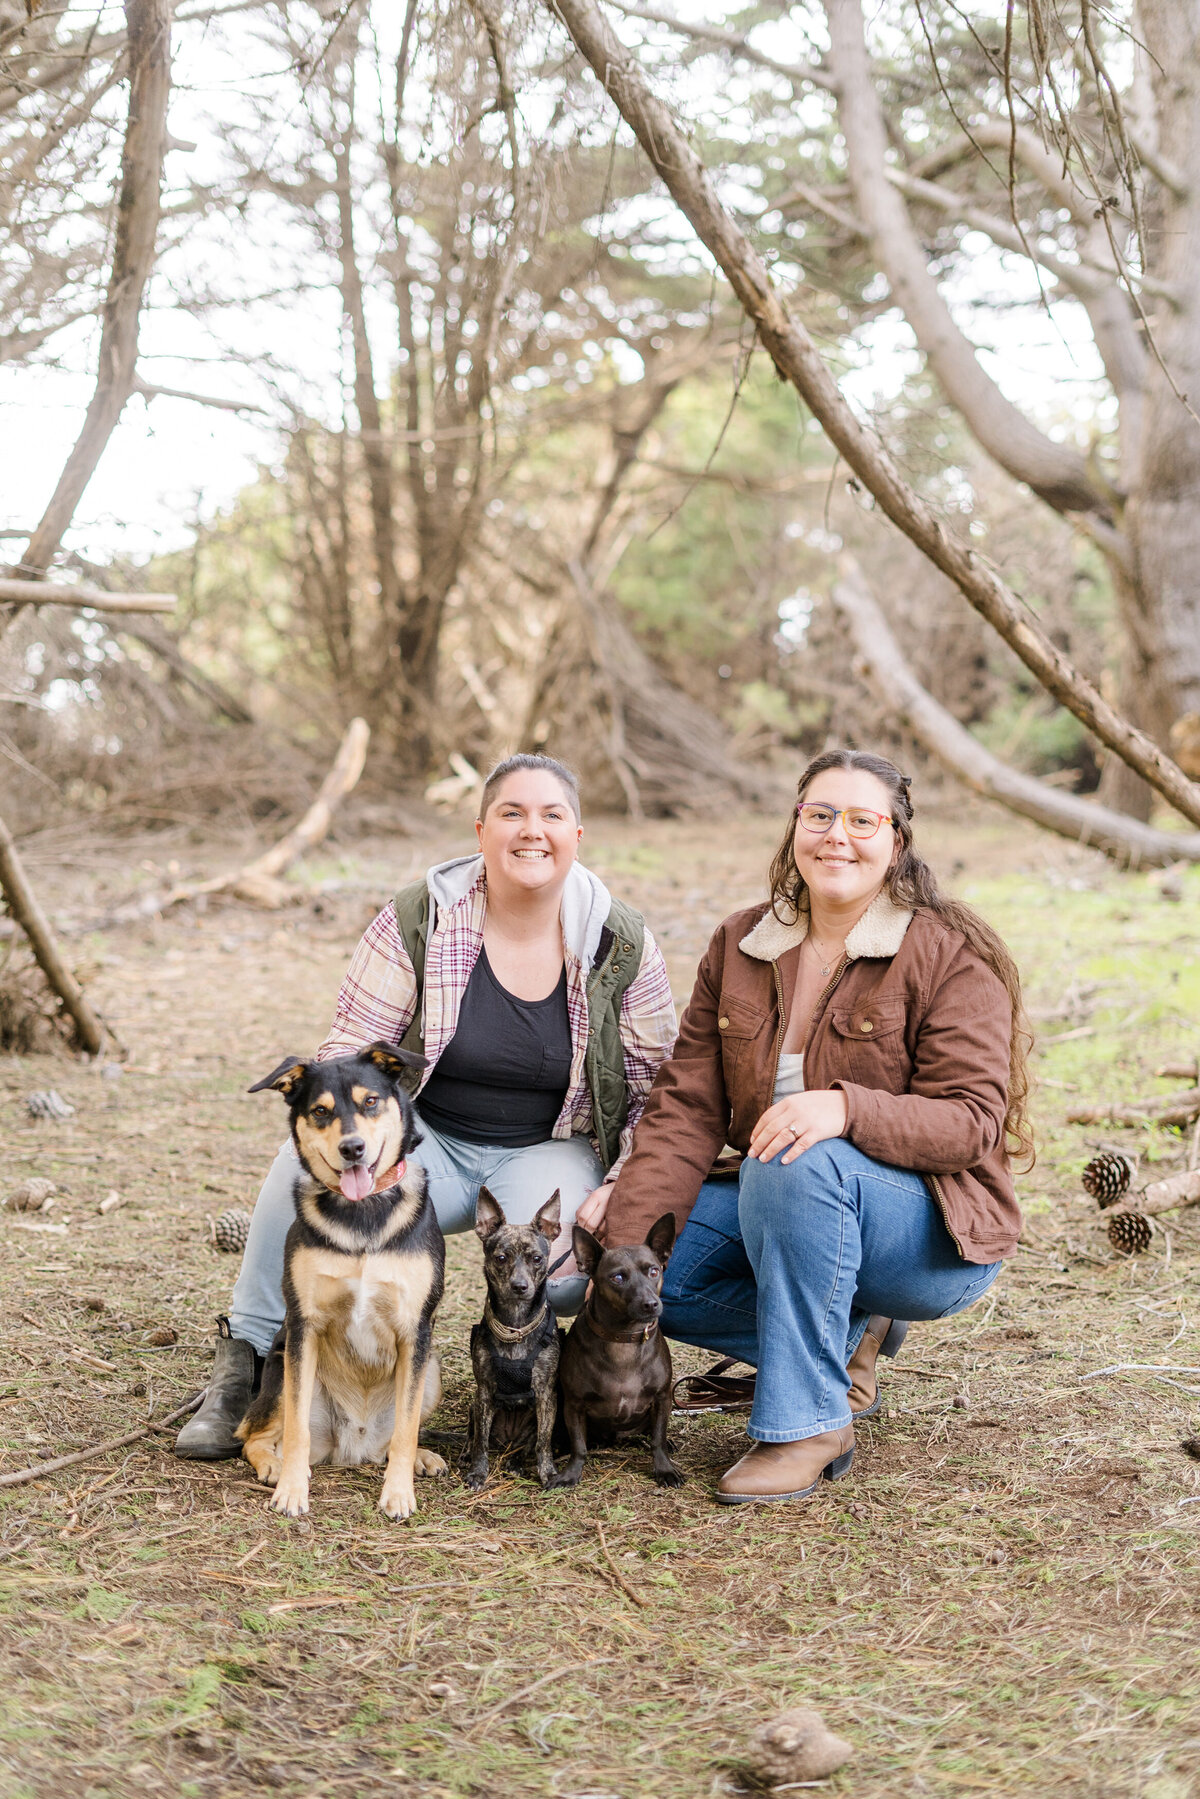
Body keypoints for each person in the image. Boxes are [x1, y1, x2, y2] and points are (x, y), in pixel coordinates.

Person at [176, 753, 678, 1460]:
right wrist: (361, 1150)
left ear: (577, 834)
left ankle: (534, 1386)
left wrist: (620, 1184)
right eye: (511, 812)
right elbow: (348, 1050)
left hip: (548, 1147)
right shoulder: (420, 916)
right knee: (299, 1168)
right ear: (481, 830)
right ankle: (247, 1362)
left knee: (566, 1278)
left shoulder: (620, 942)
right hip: (425, 1141)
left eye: (551, 815)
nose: (531, 830)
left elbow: (655, 1088)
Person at [583, 750, 1031, 1505]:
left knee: (793, 1155)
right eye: (819, 815)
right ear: (796, 826)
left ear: (896, 840)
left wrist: (847, 1108)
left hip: (928, 1234)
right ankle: (848, 1342)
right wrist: (624, 1240)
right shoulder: (742, 944)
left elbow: (972, 1121)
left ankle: (807, 1423)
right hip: (790, 1208)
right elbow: (686, 1110)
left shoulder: (947, 953)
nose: (837, 836)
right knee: (645, 1276)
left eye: (863, 820)